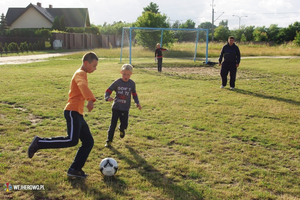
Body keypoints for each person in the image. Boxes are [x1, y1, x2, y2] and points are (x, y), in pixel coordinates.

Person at [28, 52, 98, 179]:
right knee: (72, 140)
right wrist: (90, 99)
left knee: (88, 141)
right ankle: (39, 142)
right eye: (94, 66)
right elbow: (82, 85)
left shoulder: (83, 73)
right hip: (72, 111)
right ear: (86, 63)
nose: (95, 69)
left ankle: (75, 169)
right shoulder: (80, 74)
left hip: (78, 113)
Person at [105, 64, 142, 147]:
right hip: (116, 107)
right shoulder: (117, 82)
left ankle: (121, 129)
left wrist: (137, 102)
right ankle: (109, 141)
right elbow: (108, 90)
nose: (126, 76)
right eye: (124, 74)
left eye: (128, 74)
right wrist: (107, 97)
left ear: (131, 74)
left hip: (125, 108)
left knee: (124, 124)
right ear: (121, 72)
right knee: (112, 125)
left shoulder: (132, 84)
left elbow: (134, 94)